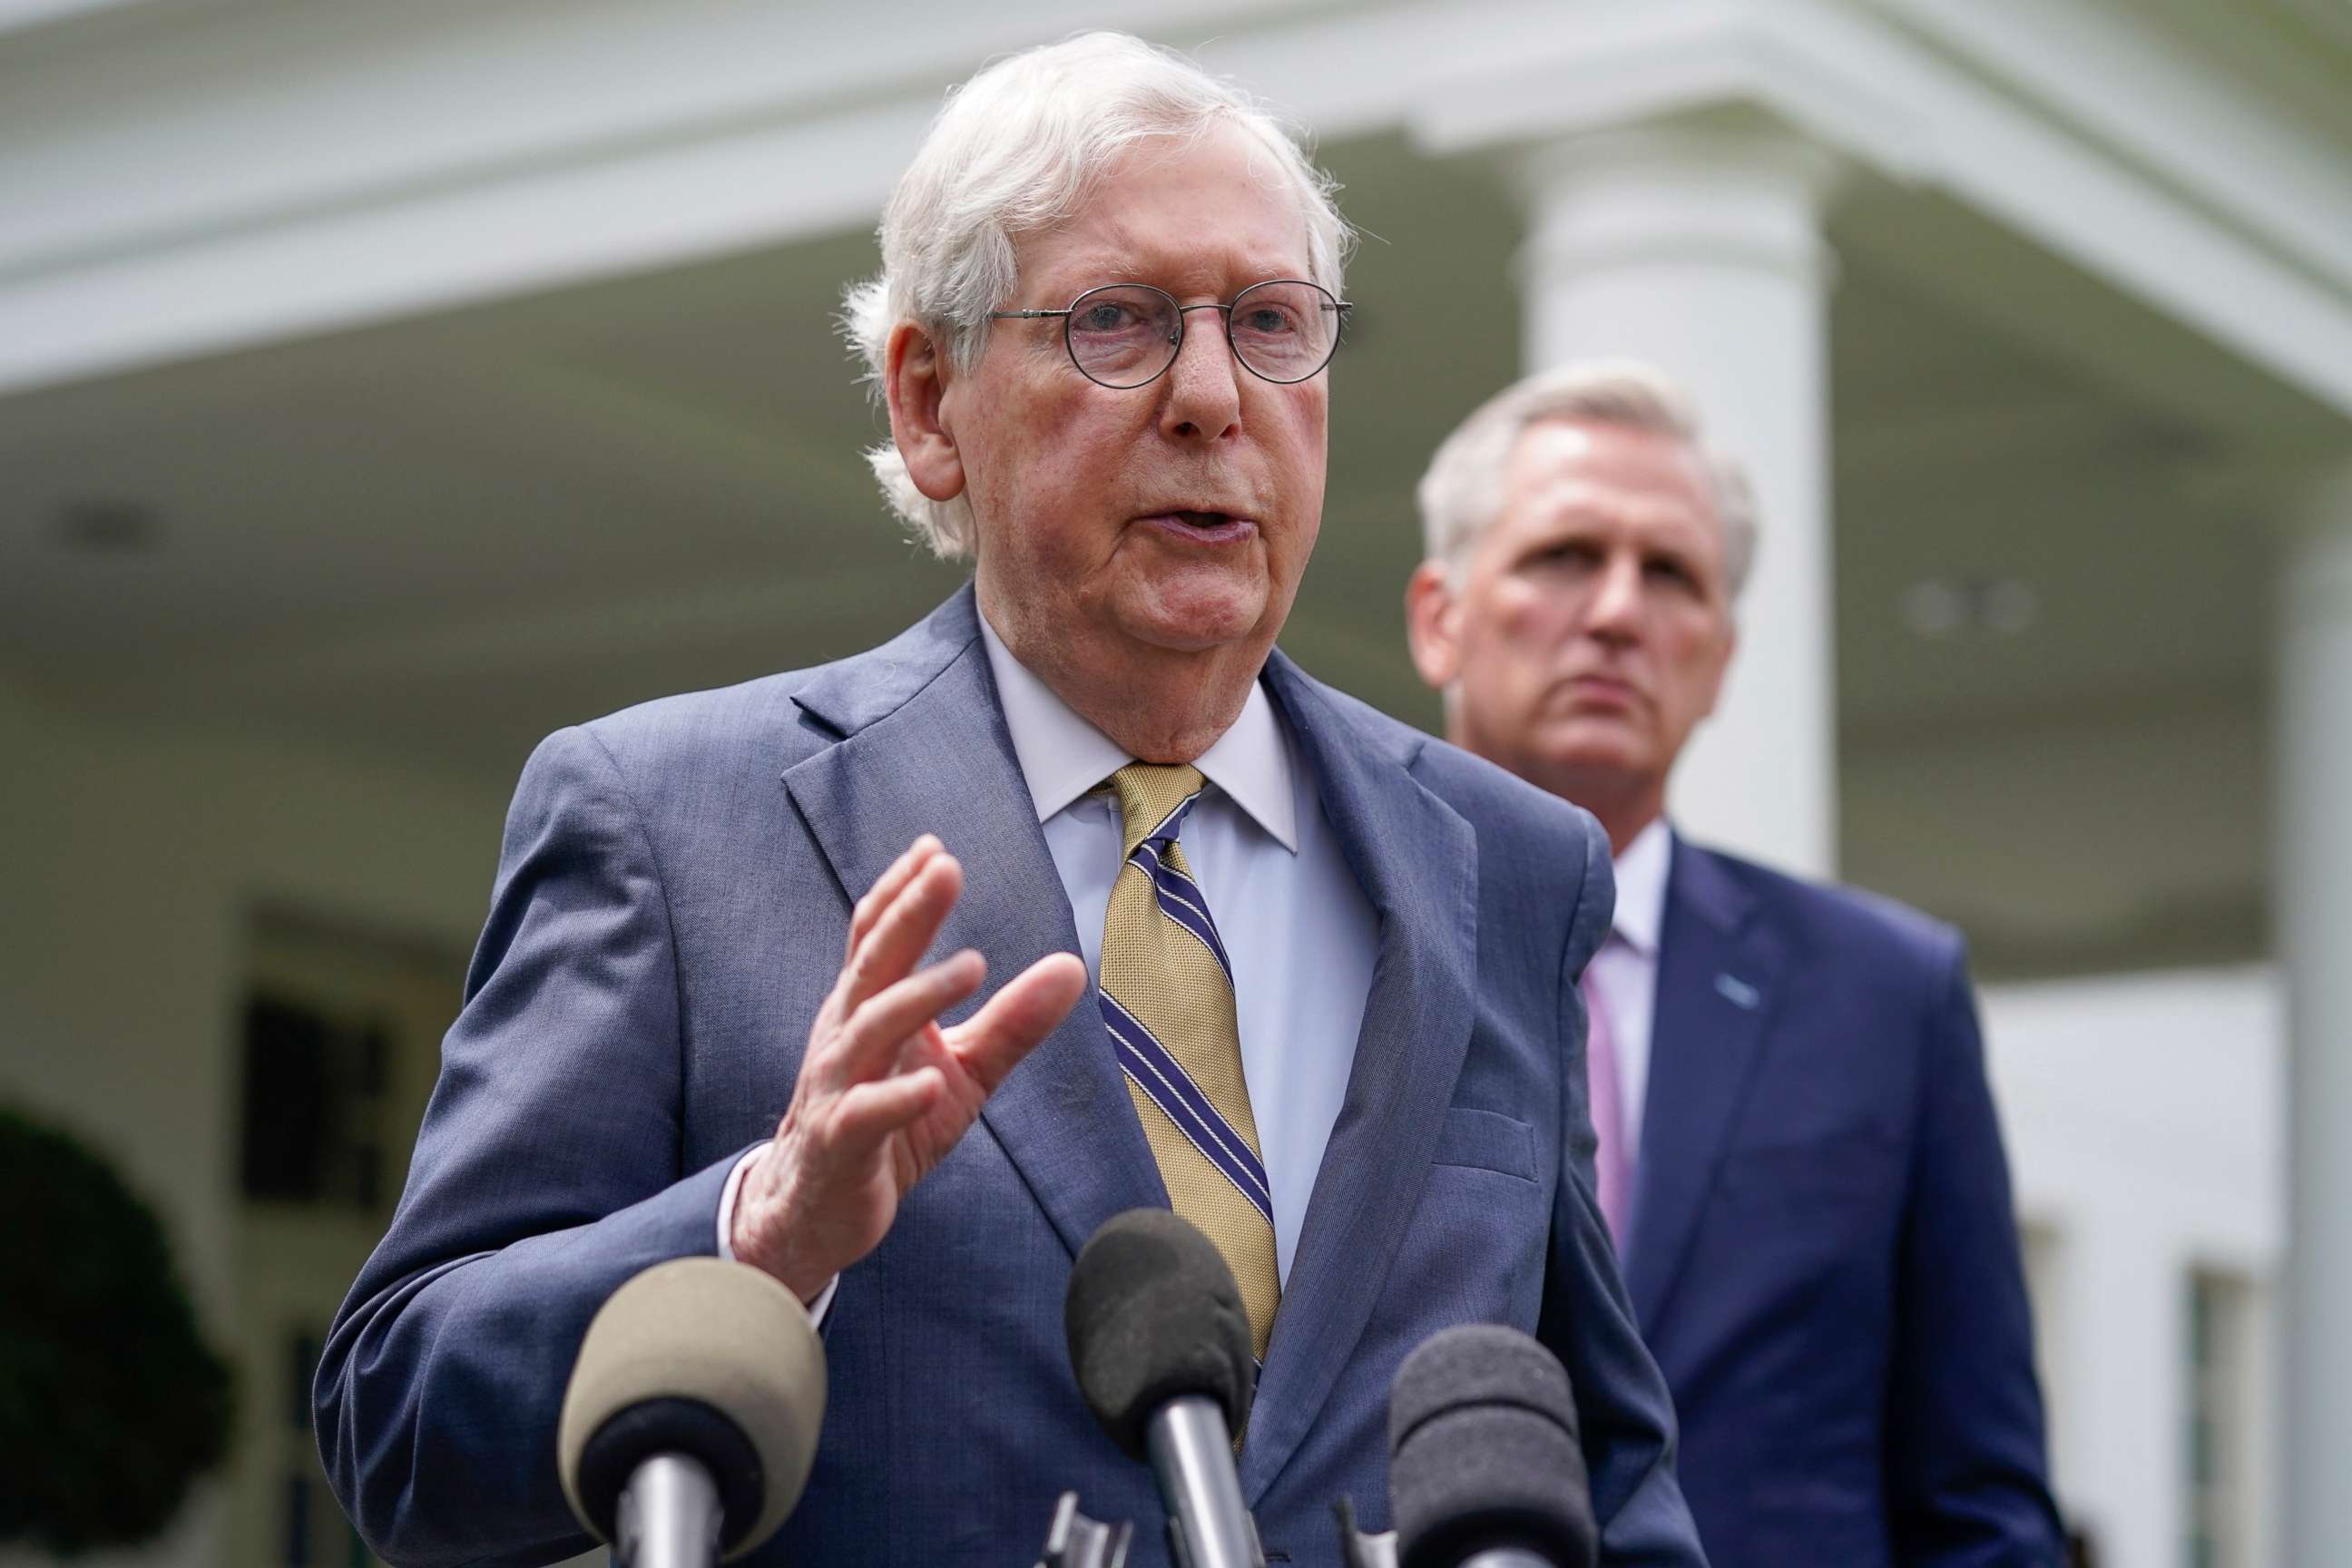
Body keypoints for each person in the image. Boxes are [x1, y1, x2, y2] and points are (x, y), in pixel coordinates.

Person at [315, 36, 1709, 1568]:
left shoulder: (1506, 865)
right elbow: (402, 1417)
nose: (1209, 397)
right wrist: (759, 1233)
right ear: (930, 404)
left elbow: (1606, 1472)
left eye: (1270, 324)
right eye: (1116, 322)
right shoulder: (672, 823)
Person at [1404, 362, 2064, 1567]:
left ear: (1719, 656)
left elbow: (1980, 1502)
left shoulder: (1888, 998)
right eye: (1563, 556)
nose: (1616, 612)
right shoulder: (1316, 939)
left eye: (1671, 576)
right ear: (1440, 615)